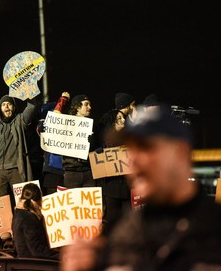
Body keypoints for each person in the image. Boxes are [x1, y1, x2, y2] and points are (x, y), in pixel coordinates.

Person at [61, 104, 221, 271]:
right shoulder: (116, 234)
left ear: (180, 152)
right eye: (130, 149)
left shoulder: (214, 230)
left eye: (145, 147)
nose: (133, 160)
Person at [0, 94, 37, 205]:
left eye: (9, 104)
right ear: (0, 108)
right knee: (1, 204)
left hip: (16, 169)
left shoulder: (20, 120)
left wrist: (29, 92)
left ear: (13, 107)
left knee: (21, 201)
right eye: (3, 105)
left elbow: (31, 107)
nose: (6, 107)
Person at [94, 108, 131, 234]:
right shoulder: (104, 141)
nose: (123, 121)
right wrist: (99, 152)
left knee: (128, 221)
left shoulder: (131, 138)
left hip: (127, 187)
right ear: (112, 123)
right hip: (111, 187)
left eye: (123, 118)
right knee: (112, 221)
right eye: (119, 119)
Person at [12, 183, 60, 260]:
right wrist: (60, 256)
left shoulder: (18, 214)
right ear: (38, 201)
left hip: (23, 262)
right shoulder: (29, 218)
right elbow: (36, 249)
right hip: (34, 264)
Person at [62, 94, 96, 188]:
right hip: (72, 172)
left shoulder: (92, 126)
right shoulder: (66, 124)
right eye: (86, 104)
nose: (90, 107)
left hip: (88, 171)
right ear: (77, 107)